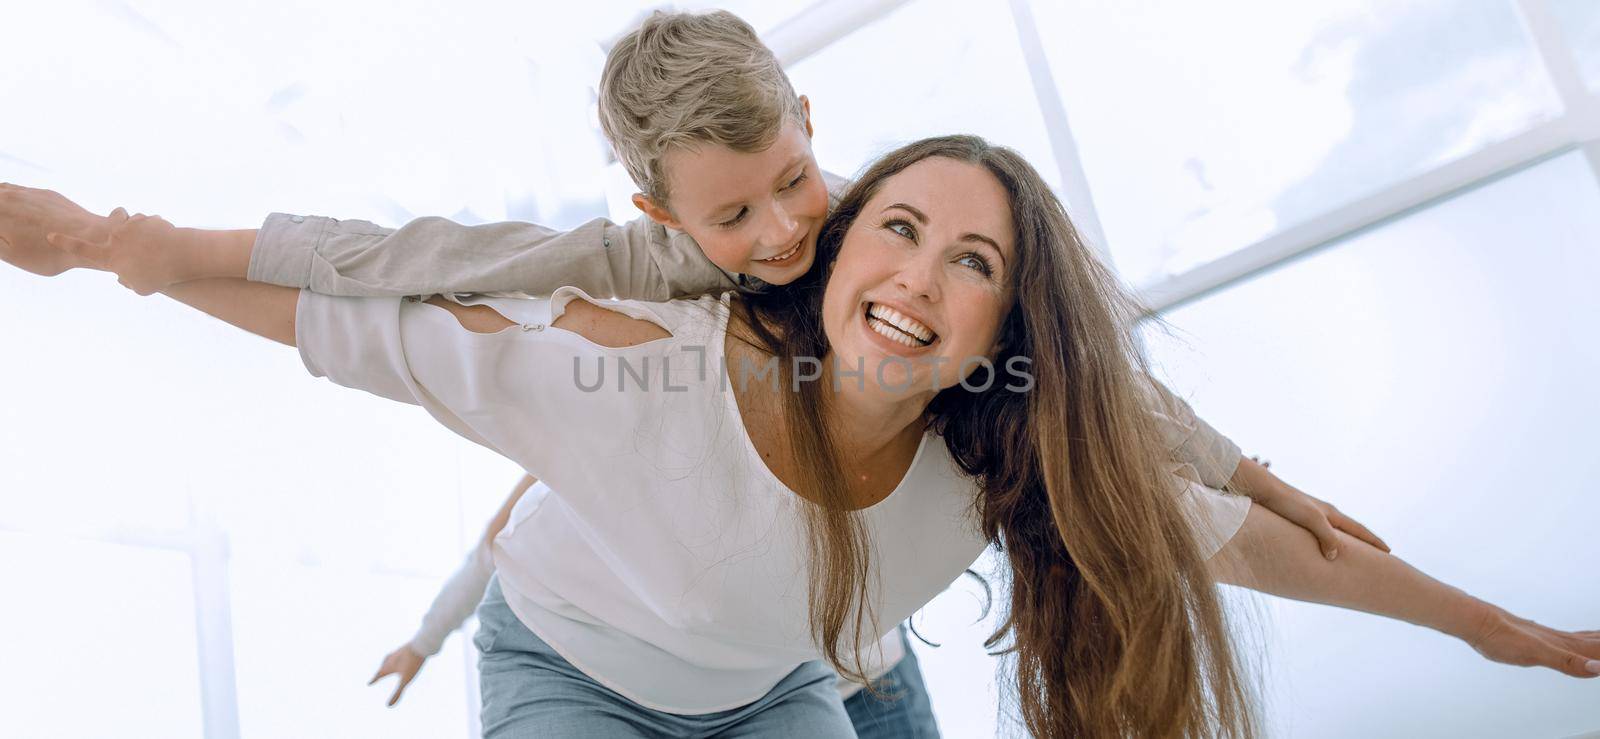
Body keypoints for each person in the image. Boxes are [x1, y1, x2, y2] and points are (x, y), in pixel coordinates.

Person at [11, 136, 1597, 738]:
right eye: (898, 228)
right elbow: (362, 315)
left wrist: (1497, 631)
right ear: (836, 257)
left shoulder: (1000, 458)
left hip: (780, 683)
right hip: (574, 674)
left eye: (973, 263)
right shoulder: (636, 371)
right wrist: (119, 247)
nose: (921, 275)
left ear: (997, 326)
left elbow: (1245, 537)